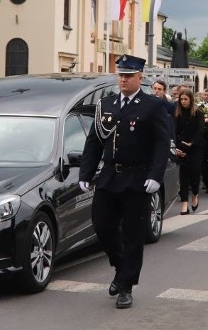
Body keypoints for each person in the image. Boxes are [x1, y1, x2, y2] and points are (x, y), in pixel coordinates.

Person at [79, 55, 169, 309]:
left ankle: (127, 286)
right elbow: (95, 141)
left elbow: (162, 144)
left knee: (132, 234)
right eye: (120, 75)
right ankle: (120, 267)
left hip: (137, 177)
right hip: (109, 176)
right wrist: (85, 173)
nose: (123, 79)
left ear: (140, 78)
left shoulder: (151, 105)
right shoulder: (106, 104)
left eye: (129, 76)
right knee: (102, 225)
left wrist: (155, 175)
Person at [172, 90, 204, 214]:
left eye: (186, 99)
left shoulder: (198, 113)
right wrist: (178, 145)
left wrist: (192, 142)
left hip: (195, 147)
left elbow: (201, 130)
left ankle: (195, 194)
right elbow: (174, 131)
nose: (184, 102)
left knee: (195, 173)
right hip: (182, 146)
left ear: (191, 99)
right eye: (182, 99)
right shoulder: (177, 113)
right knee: (183, 176)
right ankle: (184, 203)